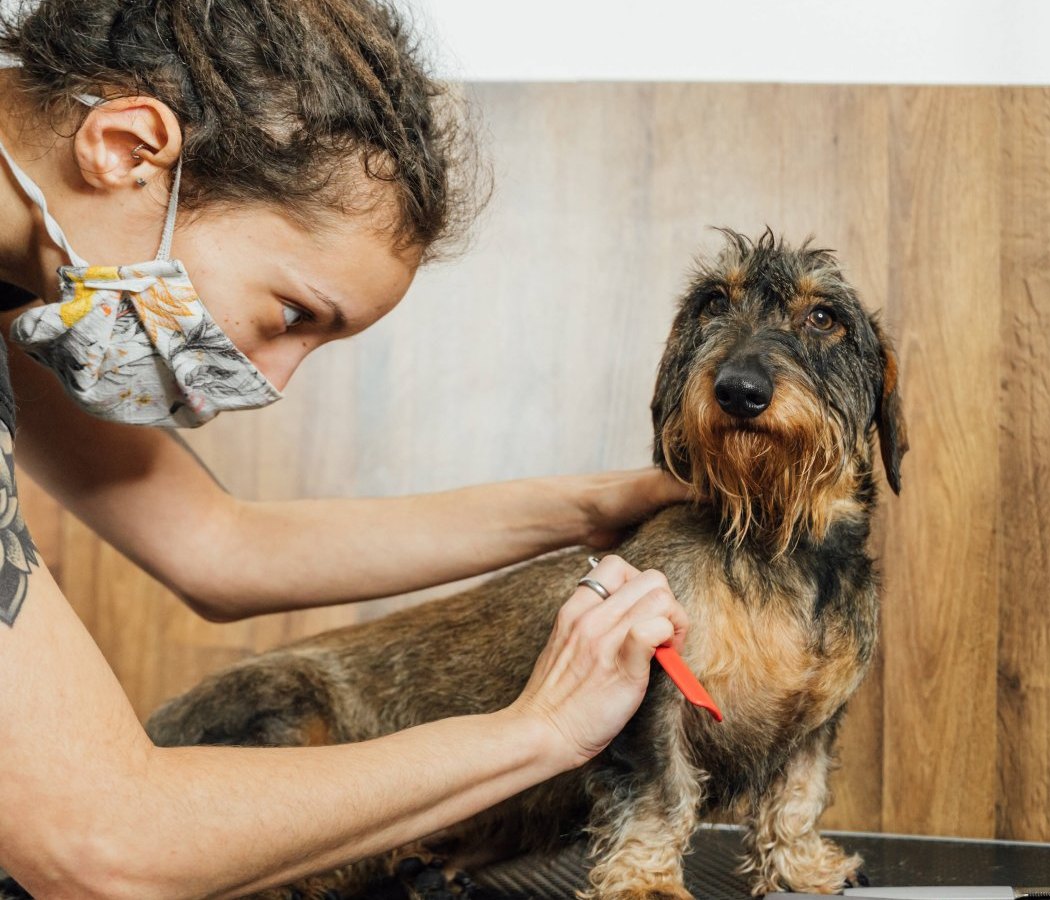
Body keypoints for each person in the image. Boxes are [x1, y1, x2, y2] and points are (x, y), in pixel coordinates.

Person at [0, 1, 691, 895]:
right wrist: (539, 732)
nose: (277, 380)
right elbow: (98, 842)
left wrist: (593, 509)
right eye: (292, 314)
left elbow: (219, 547)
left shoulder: (28, 278)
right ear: (128, 150)